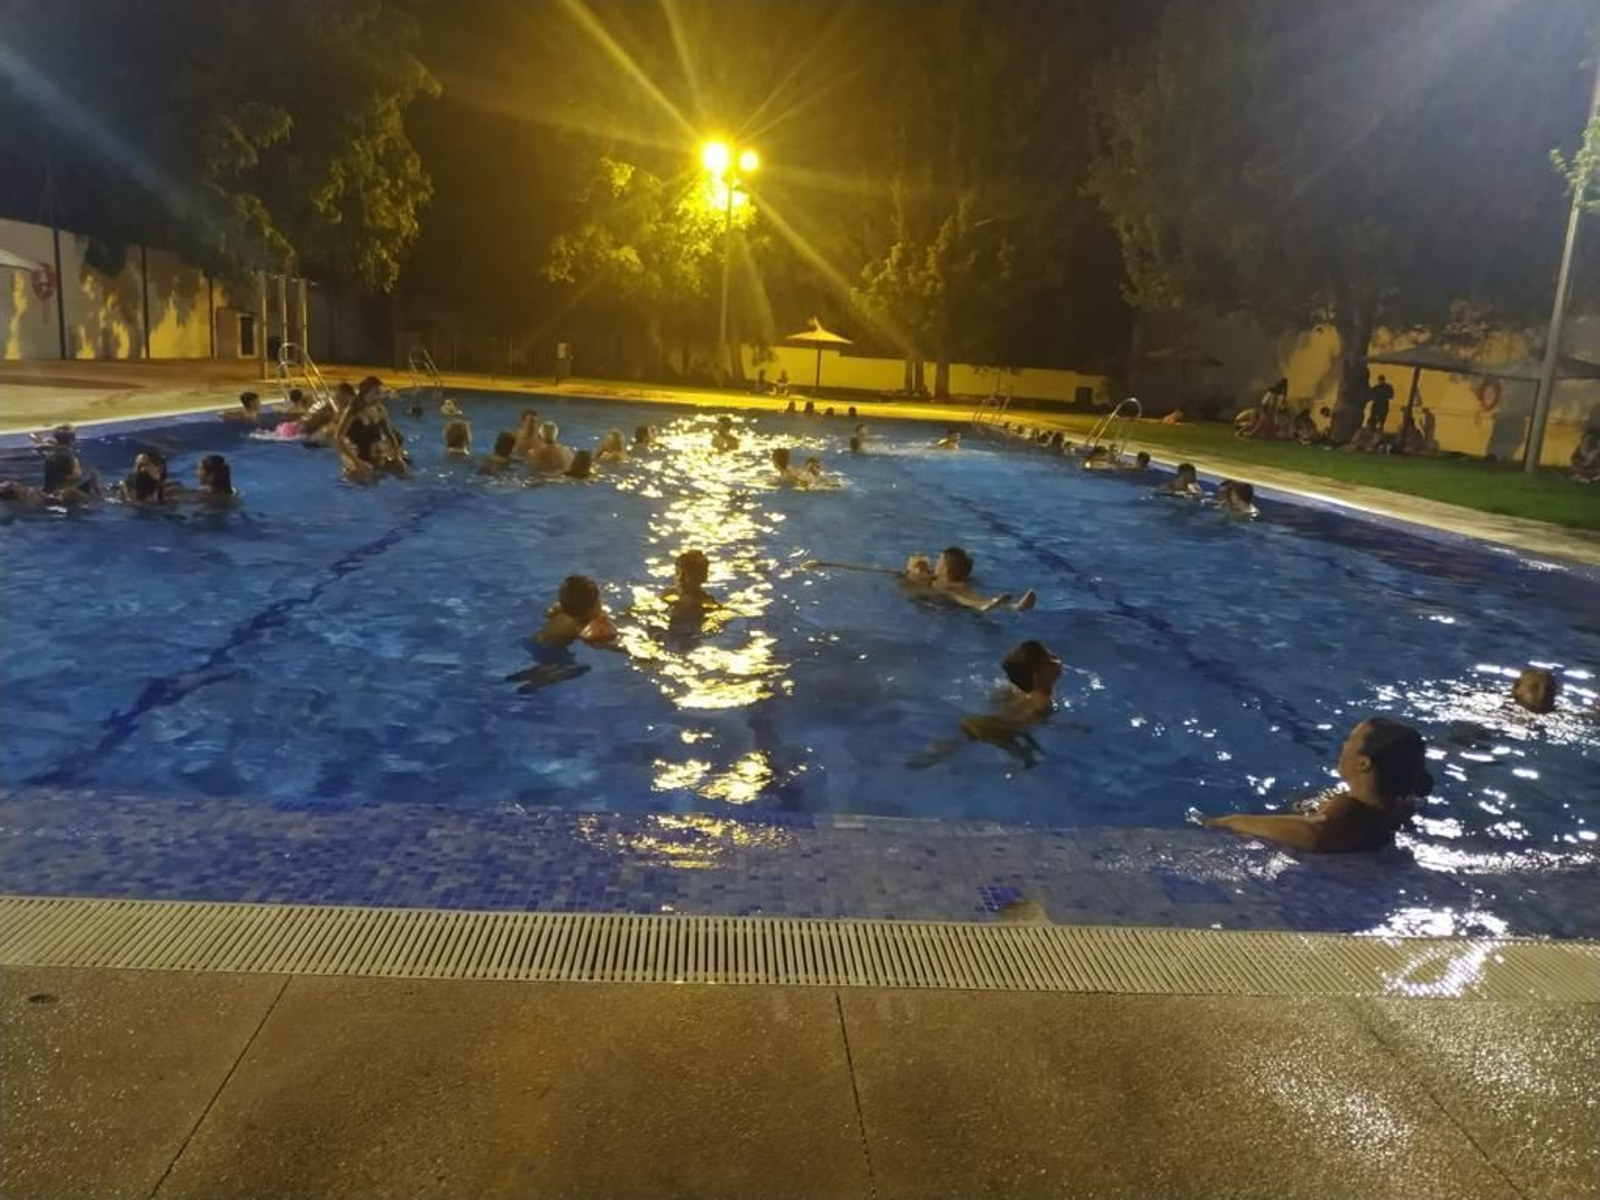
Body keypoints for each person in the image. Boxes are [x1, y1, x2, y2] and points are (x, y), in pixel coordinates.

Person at [1202, 718, 1431, 852]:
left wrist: (1228, 821)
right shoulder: (1400, 804)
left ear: (1363, 763)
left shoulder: (1348, 812)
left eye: (1349, 741)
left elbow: (1313, 832)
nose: (1343, 746)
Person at [909, 640, 1064, 770]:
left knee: (956, 741)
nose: (1057, 658)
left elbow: (998, 699)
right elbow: (1025, 725)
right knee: (1031, 761)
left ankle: (928, 757)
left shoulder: (1013, 688)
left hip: (978, 721)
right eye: (1051, 659)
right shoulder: (1043, 702)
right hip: (1001, 732)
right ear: (1038, 675)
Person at [928, 546, 1037, 612]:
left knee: (960, 597)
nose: (935, 562)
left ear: (945, 568)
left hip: (955, 599)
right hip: (961, 588)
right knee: (976, 597)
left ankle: (985, 606)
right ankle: (1013, 607)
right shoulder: (965, 582)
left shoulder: (941, 584)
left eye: (939, 560)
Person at [337, 386, 408, 481]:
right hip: (363, 458)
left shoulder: (378, 411)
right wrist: (357, 463)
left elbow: (388, 433)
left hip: (371, 455)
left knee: (401, 470)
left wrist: (398, 456)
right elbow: (340, 438)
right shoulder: (352, 415)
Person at [533, 574, 617, 647]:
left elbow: (551, 611)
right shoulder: (582, 629)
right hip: (547, 648)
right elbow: (606, 644)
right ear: (594, 607)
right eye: (599, 599)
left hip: (540, 637)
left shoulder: (568, 608)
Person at [664, 549, 719, 618]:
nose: (681, 579)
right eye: (678, 573)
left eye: (688, 575)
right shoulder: (668, 595)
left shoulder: (708, 605)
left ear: (702, 577)